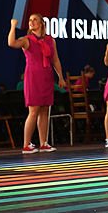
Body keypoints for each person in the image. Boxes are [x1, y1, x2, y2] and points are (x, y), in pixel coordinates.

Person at [7, 14, 67, 154]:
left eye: (35, 20)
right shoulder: (27, 40)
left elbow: (55, 60)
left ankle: (43, 143)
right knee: (33, 111)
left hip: (47, 77)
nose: (31, 22)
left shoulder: (50, 40)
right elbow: (11, 43)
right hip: (33, 77)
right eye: (30, 20)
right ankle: (26, 145)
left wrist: (60, 77)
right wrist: (13, 26)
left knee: (45, 110)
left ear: (41, 24)